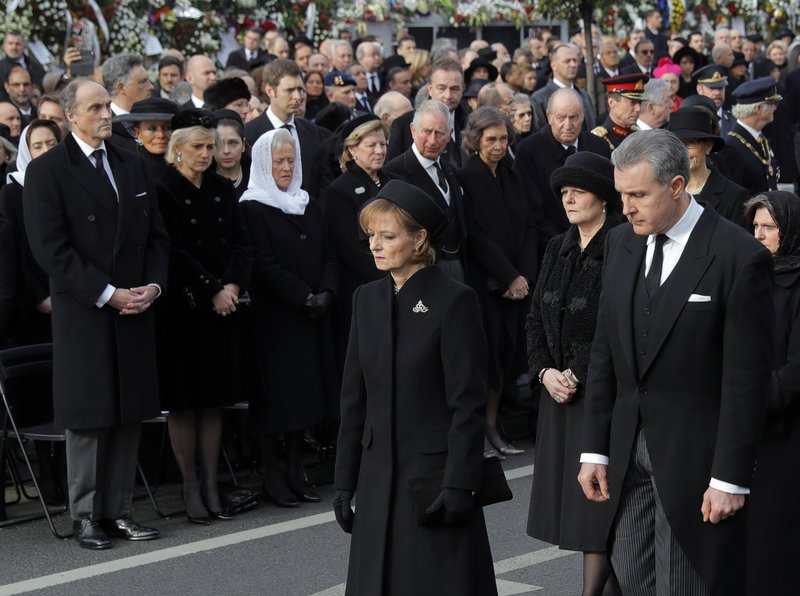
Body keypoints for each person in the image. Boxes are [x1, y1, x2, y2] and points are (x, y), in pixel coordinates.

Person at [577, 129, 774, 595]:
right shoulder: (621, 243)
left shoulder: (737, 256)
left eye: (638, 195)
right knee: (630, 578)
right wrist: (594, 449)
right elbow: (605, 352)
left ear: (676, 186)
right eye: (621, 194)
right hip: (626, 456)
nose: (625, 207)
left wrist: (729, 478)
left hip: (696, 462)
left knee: (683, 586)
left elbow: (746, 381)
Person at [333, 178, 497, 596]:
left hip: (432, 480)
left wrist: (460, 482)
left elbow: (468, 403)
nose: (375, 245)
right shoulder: (366, 299)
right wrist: (344, 483)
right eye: (371, 235)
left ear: (420, 239)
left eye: (387, 236)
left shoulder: (454, 300)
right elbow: (353, 399)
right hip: (375, 479)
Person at [24, 79, 169, 549]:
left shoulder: (131, 163)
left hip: (135, 306)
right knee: (89, 416)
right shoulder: (48, 171)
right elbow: (51, 250)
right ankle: (85, 515)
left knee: (129, 413)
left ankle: (119, 511)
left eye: (107, 105)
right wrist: (107, 293)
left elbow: (158, 238)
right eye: (96, 107)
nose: (107, 114)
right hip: (87, 311)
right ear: (71, 115)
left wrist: (151, 285)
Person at [526, 151, 621, 596]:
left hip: (600, 393)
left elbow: (614, 323)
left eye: (577, 191)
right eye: (564, 192)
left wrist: (576, 374)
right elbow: (535, 319)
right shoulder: (556, 246)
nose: (568, 199)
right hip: (558, 394)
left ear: (603, 197)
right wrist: (544, 371)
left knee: (598, 506)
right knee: (576, 505)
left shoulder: (623, 244)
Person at [154, 108, 251, 524]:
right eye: (198, 147)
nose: (206, 155)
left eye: (210, 147)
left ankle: (212, 482)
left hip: (221, 306)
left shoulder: (221, 188)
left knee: (214, 399)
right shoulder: (164, 189)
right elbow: (173, 250)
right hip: (184, 307)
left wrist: (231, 286)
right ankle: (190, 485)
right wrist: (211, 289)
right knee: (185, 402)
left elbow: (241, 243)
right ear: (177, 149)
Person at [240, 128, 338, 507]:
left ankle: (297, 468)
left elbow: (329, 253)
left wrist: (327, 291)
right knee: (277, 400)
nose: (285, 167)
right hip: (276, 319)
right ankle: (273, 473)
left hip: (313, 314)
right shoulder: (252, 206)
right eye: (278, 161)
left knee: (305, 397)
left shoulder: (307, 202)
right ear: (264, 164)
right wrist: (303, 295)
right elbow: (263, 264)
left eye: (291, 160)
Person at [457, 106, 537, 458]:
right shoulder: (468, 176)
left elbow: (527, 224)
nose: (498, 145)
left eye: (504, 138)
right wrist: (508, 276)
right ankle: (484, 430)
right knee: (486, 359)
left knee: (506, 357)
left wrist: (524, 275)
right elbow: (474, 235)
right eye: (491, 139)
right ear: (475, 141)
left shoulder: (511, 171)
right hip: (486, 284)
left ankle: (495, 424)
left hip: (516, 283)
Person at [743, 191, 800, 596]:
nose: (759, 235)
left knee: (776, 538)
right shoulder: (748, 274)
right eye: (756, 226)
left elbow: (796, 369)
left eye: (769, 228)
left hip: (785, 431)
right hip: (747, 427)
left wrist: (750, 402)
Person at [324, 115, 390, 367]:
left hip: (397, 285)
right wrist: (392, 277)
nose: (379, 150)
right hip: (364, 289)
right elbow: (350, 249)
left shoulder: (393, 180)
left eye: (383, 144)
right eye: (371, 145)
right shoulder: (339, 190)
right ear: (352, 149)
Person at [384, 100, 469, 283]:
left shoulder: (451, 169)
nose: (432, 140)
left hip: (458, 266)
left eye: (439, 133)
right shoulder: (394, 172)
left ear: (450, 135)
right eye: (426, 131)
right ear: (413, 130)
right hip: (419, 272)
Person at [515, 88, 611, 248]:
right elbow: (531, 210)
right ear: (549, 117)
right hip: (550, 246)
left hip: (599, 243)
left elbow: (608, 197)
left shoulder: (598, 145)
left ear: (583, 115)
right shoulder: (529, 151)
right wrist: (566, 243)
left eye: (573, 117)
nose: (568, 125)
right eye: (561, 118)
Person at [0, 119, 60, 346]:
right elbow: (12, 252)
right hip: (34, 303)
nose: (45, 151)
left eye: (51, 143)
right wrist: (37, 296)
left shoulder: (73, 185)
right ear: (26, 151)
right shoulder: (11, 193)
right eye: (38, 146)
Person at [244, 59, 332, 202]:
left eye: (300, 89)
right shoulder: (249, 134)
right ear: (270, 91)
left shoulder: (316, 134)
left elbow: (323, 185)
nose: (298, 97)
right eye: (290, 90)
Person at [668, 108, 749, 228]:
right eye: (676, 144)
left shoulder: (734, 197)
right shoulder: (661, 190)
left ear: (708, 146)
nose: (682, 152)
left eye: (689, 143)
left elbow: (738, 244)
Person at [720, 76, 782, 195]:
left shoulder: (759, 137)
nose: (775, 107)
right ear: (758, 109)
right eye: (772, 103)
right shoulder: (731, 147)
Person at [116, 97, 178, 179]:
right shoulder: (129, 169)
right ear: (138, 133)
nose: (161, 135)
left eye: (167, 128)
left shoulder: (188, 163)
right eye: (151, 129)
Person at [592, 73, 648, 150]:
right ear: (612, 103)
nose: (638, 108)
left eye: (640, 102)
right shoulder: (598, 140)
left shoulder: (637, 134)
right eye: (633, 102)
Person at [214, 110, 250, 198]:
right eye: (219, 144)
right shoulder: (202, 180)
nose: (226, 151)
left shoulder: (255, 178)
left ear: (243, 143)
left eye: (233, 143)